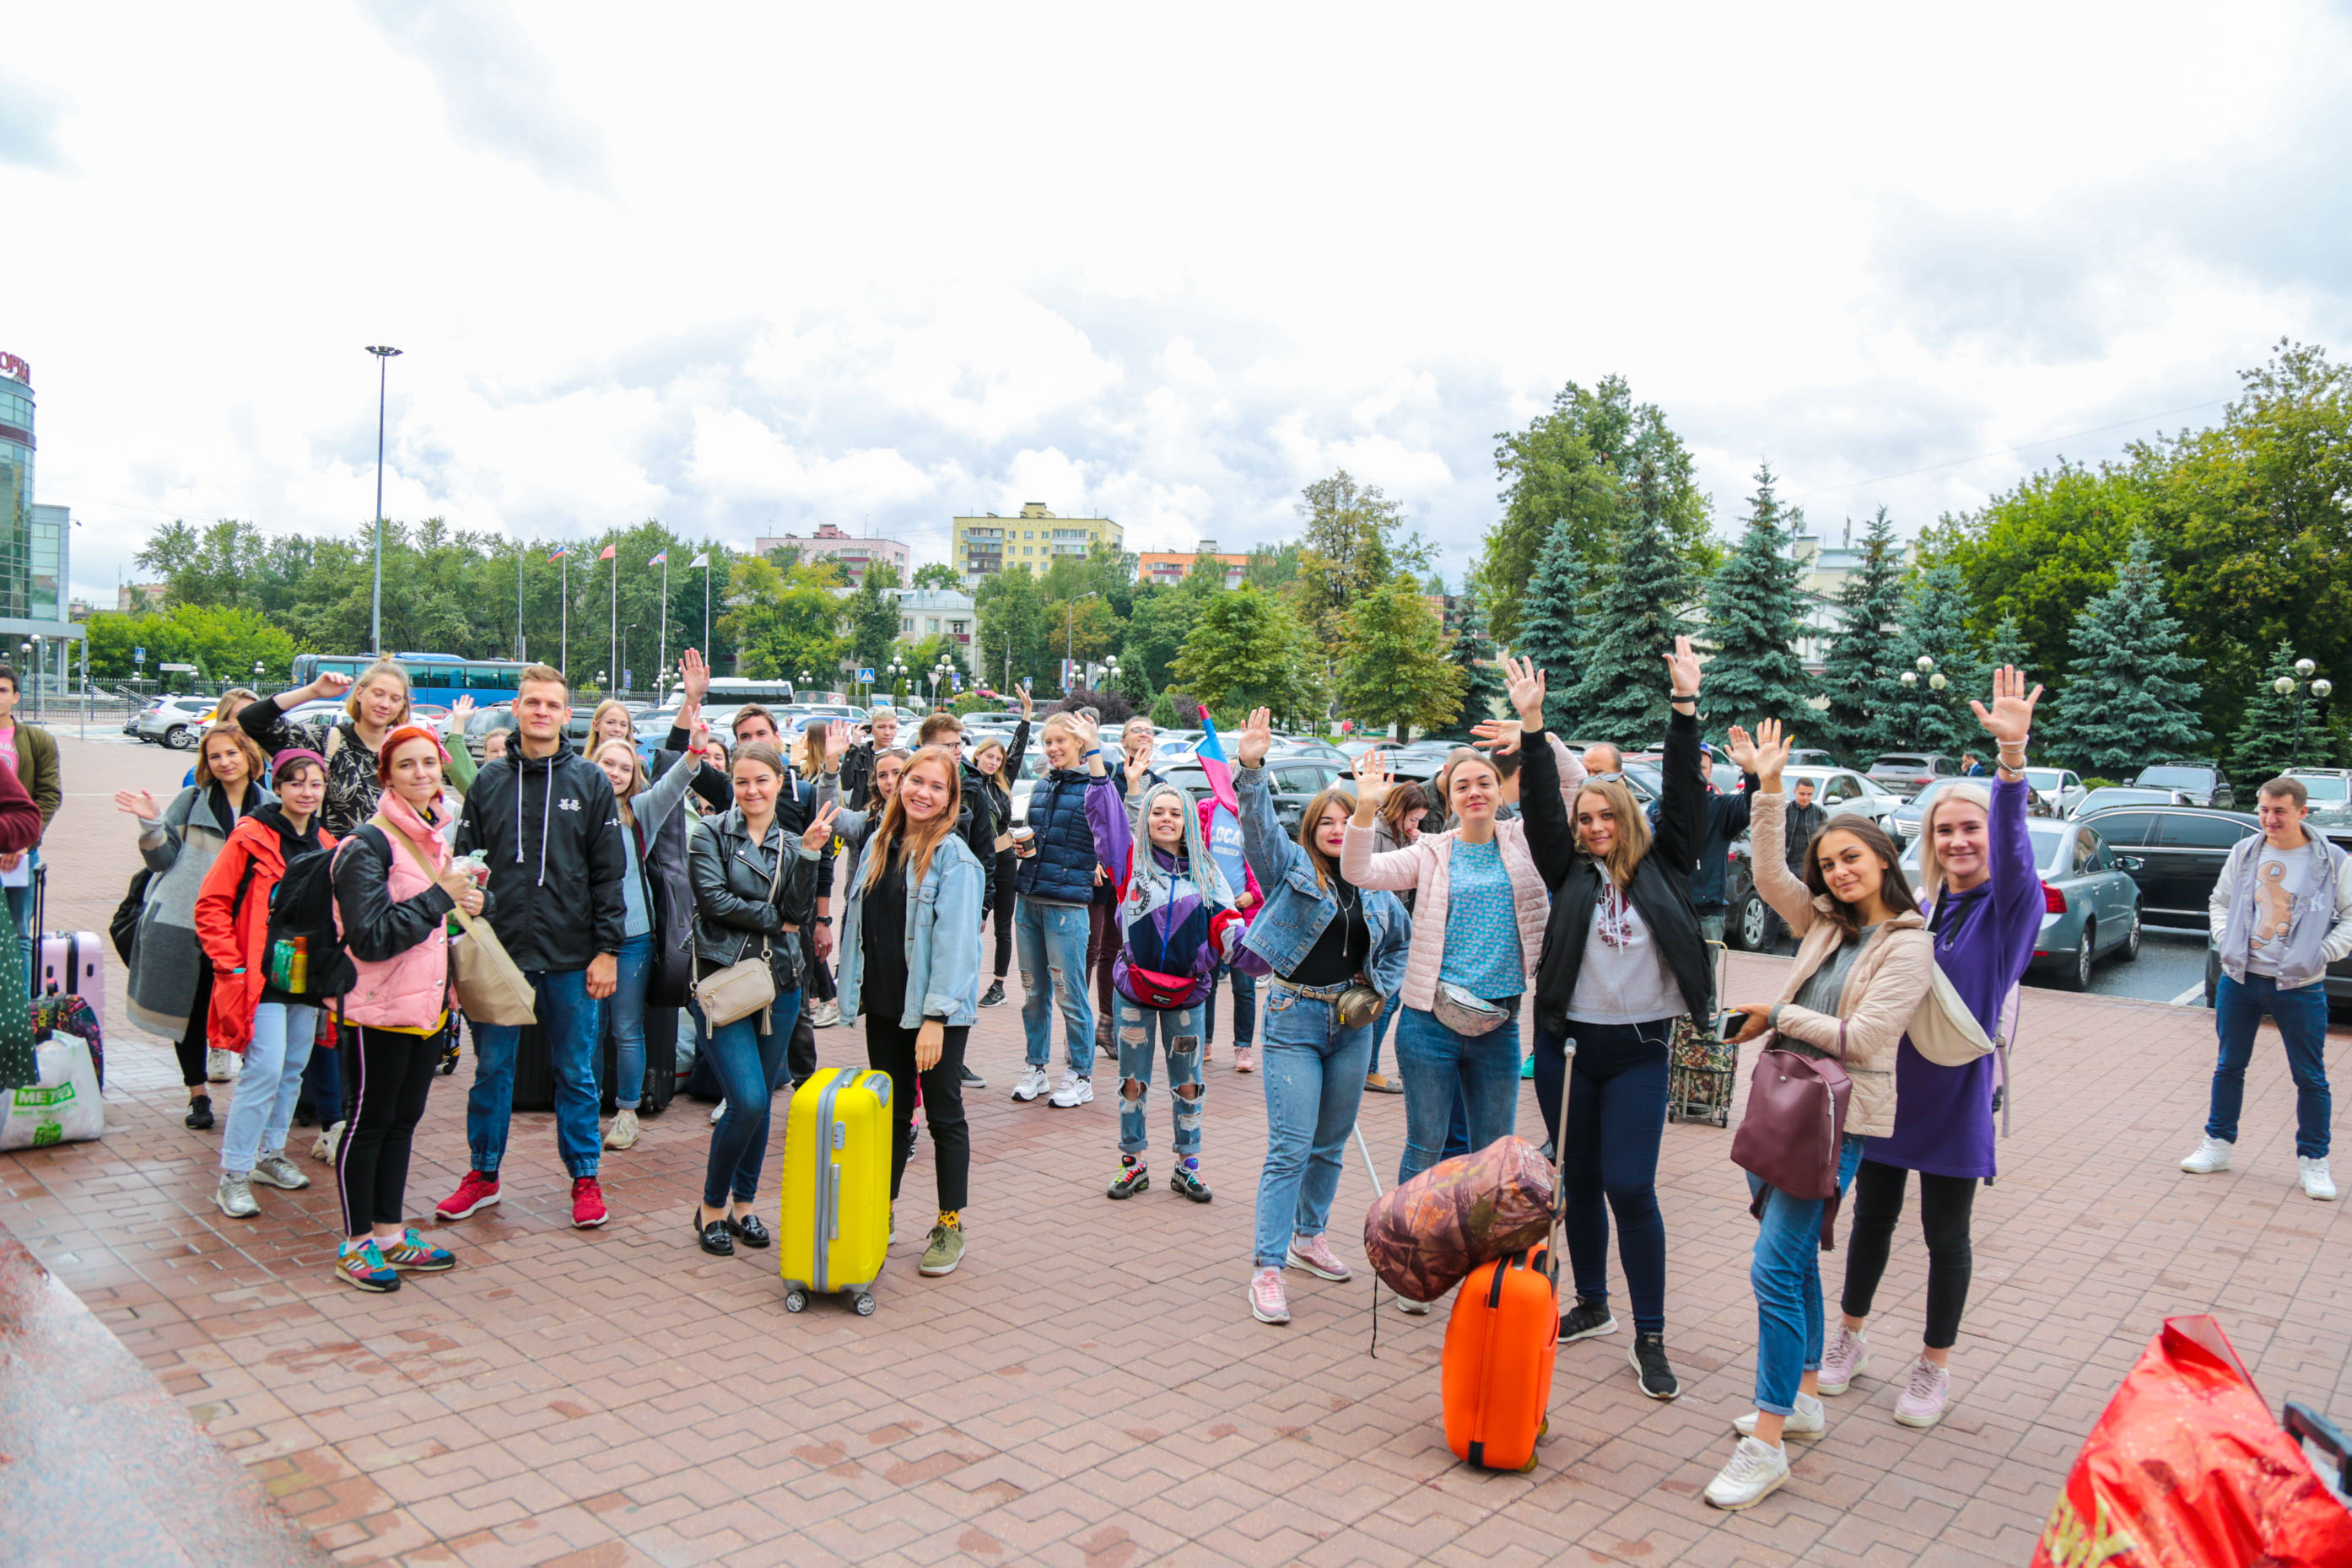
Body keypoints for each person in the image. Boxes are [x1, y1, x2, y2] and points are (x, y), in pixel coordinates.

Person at [1703, 719, 1936, 1511]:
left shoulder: (1908, 945)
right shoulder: (1827, 922)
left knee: (1773, 1266)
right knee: (1795, 1261)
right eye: (1830, 862)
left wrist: (1778, 1013)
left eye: (1851, 859)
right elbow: (1769, 873)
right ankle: (1803, 1397)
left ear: (1884, 861)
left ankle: (1767, 1443)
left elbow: (1865, 1038)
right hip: (1787, 1102)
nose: (1838, 872)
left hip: (1841, 1120)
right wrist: (1768, 788)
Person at [1821, 671, 2047, 1430]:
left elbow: (2014, 847)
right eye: (1945, 831)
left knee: (1946, 1236)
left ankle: (1933, 1366)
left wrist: (2010, 761)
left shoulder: (2009, 907)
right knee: (1872, 1219)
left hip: (1955, 1091)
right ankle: (1849, 1337)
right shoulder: (1927, 907)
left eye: (1970, 829)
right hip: (1892, 1086)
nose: (1958, 841)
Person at [1513, 652, 1705, 1398]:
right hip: (1567, 1047)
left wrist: (1683, 708)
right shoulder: (1565, 870)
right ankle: (1592, 1303)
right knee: (1581, 1180)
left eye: (1606, 816)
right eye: (1585, 818)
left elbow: (1684, 793)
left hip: (1639, 1050)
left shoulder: (1667, 863)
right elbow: (1539, 806)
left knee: (1631, 1185)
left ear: (1627, 817)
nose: (1595, 827)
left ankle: (1650, 1335)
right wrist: (1533, 726)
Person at [1233, 709, 1406, 1326]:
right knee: (1291, 1146)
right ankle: (1268, 1267)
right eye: (1325, 822)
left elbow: (1400, 946)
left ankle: (1310, 1237)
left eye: (1345, 820)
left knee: (1330, 1145)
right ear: (1311, 830)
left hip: (1352, 1025)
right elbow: (1258, 830)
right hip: (1294, 1018)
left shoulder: (1376, 881)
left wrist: (1377, 988)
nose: (1336, 829)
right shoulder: (1290, 869)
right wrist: (1252, 767)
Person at [439, 665, 628, 1231]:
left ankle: (585, 1177)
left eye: (551, 704)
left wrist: (608, 950)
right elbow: (465, 866)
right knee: (492, 1069)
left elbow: (609, 874)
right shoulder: (489, 782)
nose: (541, 711)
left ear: (567, 714)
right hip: (500, 955)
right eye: (532, 702)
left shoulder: (590, 782)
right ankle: (483, 1173)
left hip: (572, 957)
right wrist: (462, 930)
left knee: (576, 1072)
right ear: (517, 709)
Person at [1342, 725, 1555, 1222]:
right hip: (1429, 1025)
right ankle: (1410, 1246)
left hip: (1499, 1025)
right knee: (1426, 1146)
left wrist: (1536, 730)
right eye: (1462, 786)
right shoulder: (1432, 851)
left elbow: (1566, 791)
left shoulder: (1526, 841)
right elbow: (1360, 871)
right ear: (1450, 797)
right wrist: (1365, 810)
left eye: (1484, 782)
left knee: (1494, 1155)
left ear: (1501, 790)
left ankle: (1481, 1253)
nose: (1474, 792)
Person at [327, 727, 476, 1292]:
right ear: (386, 775)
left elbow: (433, 920)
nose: (421, 774)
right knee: (368, 1124)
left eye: (429, 764)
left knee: (401, 1122)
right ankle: (355, 1243)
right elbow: (370, 937)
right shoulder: (366, 845)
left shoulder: (433, 836)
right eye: (407, 764)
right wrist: (440, 896)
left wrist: (464, 901)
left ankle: (389, 1234)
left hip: (427, 1007)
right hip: (376, 1009)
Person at [836, 745, 984, 1277]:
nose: (922, 792)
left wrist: (935, 1019)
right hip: (885, 1005)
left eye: (936, 786)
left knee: (944, 1115)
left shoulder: (955, 859)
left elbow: (956, 947)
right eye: (914, 780)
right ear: (899, 784)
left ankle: (950, 1224)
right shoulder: (881, 843)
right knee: (892, 1116)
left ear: (950, 798)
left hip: (934, 1013)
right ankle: (883, 1211)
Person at [686, 742, 829, 1257]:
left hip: (780, 983)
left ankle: (744, 1203)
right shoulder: (709, 833)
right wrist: (776, 920)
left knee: (763, 1100)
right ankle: (711, 1206)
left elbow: (800, 912)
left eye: (761, 781)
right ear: (732, 784)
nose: (752, 791)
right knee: (745, 1099)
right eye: (742, 781)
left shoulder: (794, 842)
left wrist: (809, 854)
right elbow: (712, 900)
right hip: (724, 981)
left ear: (779, 782)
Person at [1085, 745, 1244, 1203]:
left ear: (1188, 820)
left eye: (1175, 813)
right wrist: (1096, 757)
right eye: (1158, 812)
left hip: (1189, 995)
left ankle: (1187, 1166)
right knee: (1132, 1083)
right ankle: (1132, 1164)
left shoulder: (1209, 873)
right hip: (1134, 990)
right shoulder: (1130, 863)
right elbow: (1106, 820)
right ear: (1148, 819)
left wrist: (1248, 952)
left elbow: (1230, 926)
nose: (1166, 819)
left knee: (1188, 1084)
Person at [2183, 773, 2349, 1202]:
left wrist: (2320, 953)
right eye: (2264, 810)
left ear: (2302, 812)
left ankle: (2314, 1161)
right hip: (2241, 979)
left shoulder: (2332, 860)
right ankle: (2218, 1145)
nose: (2270, 819)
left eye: (2280, 811)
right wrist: (2225, 939)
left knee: (2310, 1077)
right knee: (2229, 1066)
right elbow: (2219, 902)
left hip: (2300, 985)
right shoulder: (2245, 852)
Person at [195, 748, 334, 1217]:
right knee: (265, 1070)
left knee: (293, 1067)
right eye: (296, 783)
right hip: (260, 975)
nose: (306, 792)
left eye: (315, 784)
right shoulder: (251, 836)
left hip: (305, 974)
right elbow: (211, 903)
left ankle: (270, 1155)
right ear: (277, 786)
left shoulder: (327, 842)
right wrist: (231, 965)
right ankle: (233, 1174)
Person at [118, 725, 276, 1128]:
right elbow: (161, 860)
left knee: (248, 1011)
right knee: (189, 1012)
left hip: (247, 929)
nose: (224, 762)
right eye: (214, 756)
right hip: (187, 924)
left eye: (231, 753)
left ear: (249, 756)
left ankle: (253, 1095)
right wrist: (152, 825)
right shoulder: (191, 801)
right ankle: (198, 1095)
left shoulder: (273, 806)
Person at [589, 709, 708, 1151]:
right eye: (608, 763)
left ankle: (627, 1112)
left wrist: (694, 751)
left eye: (624, 767)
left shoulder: (639, 812)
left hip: (633, 938)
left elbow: (673, 785)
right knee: (589, 1030)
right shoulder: (576, 812)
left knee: (626, 1028)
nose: (615, 773)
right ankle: (586, 1109)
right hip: (585, 940)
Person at [240, 660, 476, 838]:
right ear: (360, 693)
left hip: (397, 872)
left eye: (395, 699)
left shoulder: (406, 754)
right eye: (378, 694)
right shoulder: (326, 741)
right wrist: (313, 691)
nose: (385, 704)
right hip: (335, 869)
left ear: (403, 706)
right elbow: (252, 720)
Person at [1011, 712, 1104, 1107]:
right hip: (1029, 898)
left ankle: (1081, 1073)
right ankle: (1036, 1067)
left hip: (1067, 905)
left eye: (1060, 741)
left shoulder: (1093, 787)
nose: (1052, 749)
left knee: (1069, 993)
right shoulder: (1043, 784)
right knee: (1033, 992)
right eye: (1047, 742)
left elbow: (1110, 827)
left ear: (1080, 744)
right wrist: (1022, 847)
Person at [969, 687, 1034, 1008]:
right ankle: (964, 978)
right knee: (972, 922)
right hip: (977, 862)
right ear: (977, 756)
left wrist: (1027, 715)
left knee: (1002, 926)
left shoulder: (1001, 783)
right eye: (989, 757)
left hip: (1005, 858)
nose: (994, 762)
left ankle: (998, 985)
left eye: (998, 759)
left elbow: (1017, 752)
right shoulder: (967, 783)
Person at [1197, 779, 1265, 1074]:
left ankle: (1243, 1046)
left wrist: (1254, 894)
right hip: (1209, 910)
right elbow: (1192, 853)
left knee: (1244, 987)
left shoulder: (1254, 814)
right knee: (1206, 982)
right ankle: (1205, 1041)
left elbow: (1268, 863)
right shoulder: (1206, 810)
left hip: (1242, 914)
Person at [0, 666, 60, 997]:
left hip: (21, 853)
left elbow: (48, 796)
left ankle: (20, 1007)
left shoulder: (37, 741)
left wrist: (23, 842)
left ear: (16, 697)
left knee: (19, 932)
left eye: (3, 690)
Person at [839, 701, 903, 811]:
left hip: (891, 813)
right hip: (863, 815)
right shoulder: (860, 754)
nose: (887, 732)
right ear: (872, 729)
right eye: (881, 727)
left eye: (892, 727)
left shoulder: (901, 756)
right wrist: (854, 747)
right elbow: (845, 784)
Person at [1787, 777, 1828, 871]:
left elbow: (1825, 840)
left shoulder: (1820, 813)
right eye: (1802, 794)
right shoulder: (1784, 811)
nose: (1806, 798)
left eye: (1809, 794)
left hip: (1809, 862)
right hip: (1787, 862)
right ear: (1795, 792)